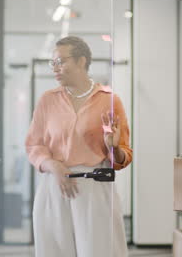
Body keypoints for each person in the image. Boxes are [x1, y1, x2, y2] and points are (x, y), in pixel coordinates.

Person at [25, 36, 132, 257]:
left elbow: (123, 156)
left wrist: (112, 148)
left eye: (61, 61)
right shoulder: (48, 100)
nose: (55, 68)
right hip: (54, 186)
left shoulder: (110, 100)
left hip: (94, 188)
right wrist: (53, 166)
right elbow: (34, 144)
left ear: (82, 61)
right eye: (52, 63)